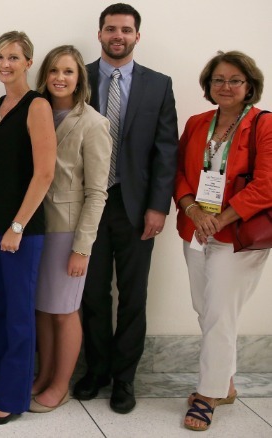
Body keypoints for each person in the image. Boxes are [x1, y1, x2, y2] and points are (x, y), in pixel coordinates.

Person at [74, 2, 178, 414]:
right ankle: (96, 370)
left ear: (138, 35)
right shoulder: (76, 76)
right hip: (87, 205)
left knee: (133, 296)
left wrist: (158, 207)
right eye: (111, 28)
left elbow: (166, 151)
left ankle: (124, 379)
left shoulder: (159, 84)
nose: (118, 35)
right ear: (99, 33)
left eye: (126, 29)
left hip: (136, 207)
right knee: (93, 293)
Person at [175, 51, 270, 432]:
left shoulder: (264, 125)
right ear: (208, 85)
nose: (225, 86)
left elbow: (266, 184)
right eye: (218, 79)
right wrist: (194, 212)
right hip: (197, 229)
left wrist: (221, 218)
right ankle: (225, 382)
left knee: (218, 312)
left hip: (238, 235)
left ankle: (207, 394)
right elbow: (179, 171)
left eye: (234, 80)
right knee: (205, 308)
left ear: (249, 86)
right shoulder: (198, 123)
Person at [0, 30, 55, 425]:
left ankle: (15, 397)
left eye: (13, 57)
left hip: (20, 231)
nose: (5, 63)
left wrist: (17, 226)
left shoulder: (37, 105)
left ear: (28, 62)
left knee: (20, 315)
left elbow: (44, 173)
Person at [30, 45, 112, 413]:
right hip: (36, 227)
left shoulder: (93, 123)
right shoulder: (37, 113)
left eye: (68, 71)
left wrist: (83, 247)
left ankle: (60, 386)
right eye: (54, 71)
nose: (60, 78)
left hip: (67, 232)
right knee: (43, 310)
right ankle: (44, 376)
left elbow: (97, 192)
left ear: (80, 78)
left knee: (64, 311)